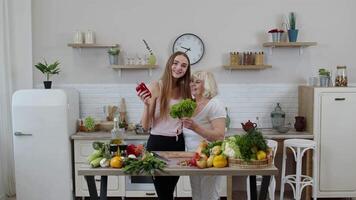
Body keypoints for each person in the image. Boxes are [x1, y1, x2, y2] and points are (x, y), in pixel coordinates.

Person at [136, 51, 191, 200]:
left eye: (184, 65)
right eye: (176, 63)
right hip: (157, 144)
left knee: (169, 190)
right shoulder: (156, 86)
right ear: (169, 65)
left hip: (178, 144)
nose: (179, 68)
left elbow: (188, 118)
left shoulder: (186, 90)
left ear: (187, 70)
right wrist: (147, 105)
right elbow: (146, 126)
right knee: (163, 194)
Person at [182, 70, 226, 200]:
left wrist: (195, 127)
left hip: (210, 158)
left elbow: (219, 136)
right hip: (194, 158)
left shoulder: (214, 104)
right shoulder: (192, 104)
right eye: (191, 81)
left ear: (207, 85)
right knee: (196, 195)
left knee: (209, 196)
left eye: (197, 82)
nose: (192, 84)